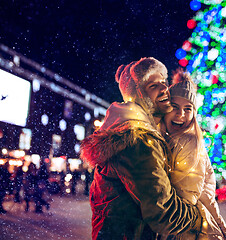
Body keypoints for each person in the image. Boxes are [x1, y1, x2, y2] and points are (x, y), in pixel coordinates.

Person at [80, 57, 205, 239]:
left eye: (163, 82)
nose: (164, 89)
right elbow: (164, 214)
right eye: (153, 86)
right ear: (138, 94)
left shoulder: (132, 129)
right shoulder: (137, 140)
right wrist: (199, 217)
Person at [160, 69, 226, 239]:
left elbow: (185, 199)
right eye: (174, 107)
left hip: (184, 231)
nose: (180, 114)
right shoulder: (163, 139)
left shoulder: (189, 144)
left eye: (188, 109)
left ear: (194, 114)